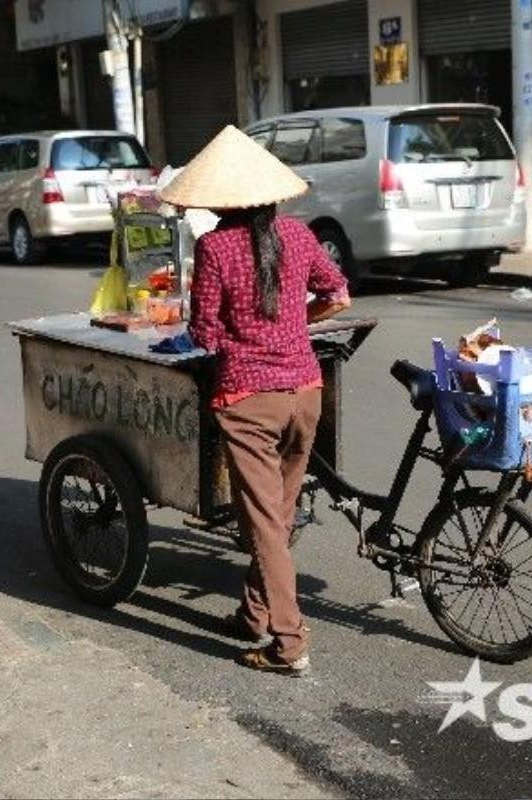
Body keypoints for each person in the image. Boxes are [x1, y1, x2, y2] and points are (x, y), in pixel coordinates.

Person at [161, 126, 351, 675]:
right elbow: (338, 294)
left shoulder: (214, 246)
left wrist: (240, 341)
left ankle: (289, 644)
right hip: (305, 393)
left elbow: (204, 333)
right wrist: (294, 324)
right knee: (279, 515)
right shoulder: (297, 236)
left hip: (249, 399)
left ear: (220, 199)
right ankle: (253, 614)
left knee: (267, 523)